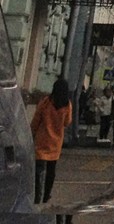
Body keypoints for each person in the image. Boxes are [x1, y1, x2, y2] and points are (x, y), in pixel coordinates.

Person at [31, 77, 73, 205]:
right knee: (51, 171)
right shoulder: (67, 105)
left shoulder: (45, 102)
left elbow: (36, 120)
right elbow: (67, 122)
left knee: (38, 171)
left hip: (42, 141)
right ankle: (46, 195)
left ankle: (37, 196)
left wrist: (31, 133)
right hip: (55, 143)